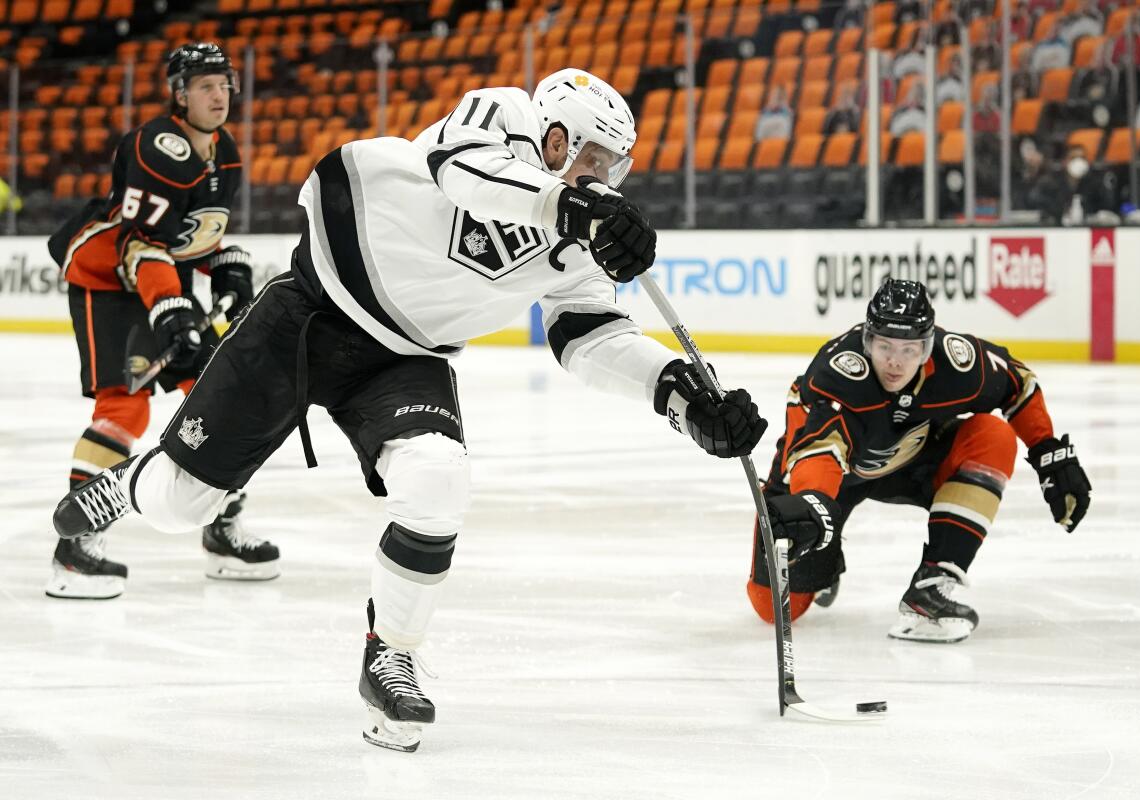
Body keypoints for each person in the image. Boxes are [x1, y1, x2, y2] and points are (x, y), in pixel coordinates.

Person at [50, 68, 768, 751]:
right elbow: (466, 173)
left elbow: (588, 335)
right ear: (555, 139)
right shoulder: (503, 113)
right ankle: (136, 480)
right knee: (181, 506)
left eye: (616, 167)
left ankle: (391, 654)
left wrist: (679, 394)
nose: (606, 179)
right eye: (597, 159)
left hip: (402, 355)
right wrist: (569, 206)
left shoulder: (577, 235)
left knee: (437, 478)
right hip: (310, 310)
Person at [42, 42, 278, 599]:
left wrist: (228, 267)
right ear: (179, 94)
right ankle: (76, 549)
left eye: (224, 84)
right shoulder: (156, 147)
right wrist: (171, 307)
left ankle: (220, 529)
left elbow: (191, 239)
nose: (218, 95)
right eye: (204, 86)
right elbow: (140, 245)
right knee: (124, 408)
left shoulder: (226, 154)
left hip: (157, 279)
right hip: (107, 280)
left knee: (225, 397)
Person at [746, 279, 1091, 643]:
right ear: (867, 341)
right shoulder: (838, 374)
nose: (895, 361)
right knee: (772, 607)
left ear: (927, 348)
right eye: (884, 346)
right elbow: (817, 451)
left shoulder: (956, 364)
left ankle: (933, 584)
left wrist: (1049, 451)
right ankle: (824, 562)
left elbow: (1017, 382)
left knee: (993, 435)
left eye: (909, 349)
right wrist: (813, 505)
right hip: (830, 479)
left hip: (912, 463)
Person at [1030, 143, 1118, 225]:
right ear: (1065, 161)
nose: (1078, 162)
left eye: (1082, 158)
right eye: (1074, 158)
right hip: (1056, 227)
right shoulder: (1051, 181)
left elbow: (1107, 204)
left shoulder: (1093, 182)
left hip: (1086, 227)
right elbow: (1035, 199)